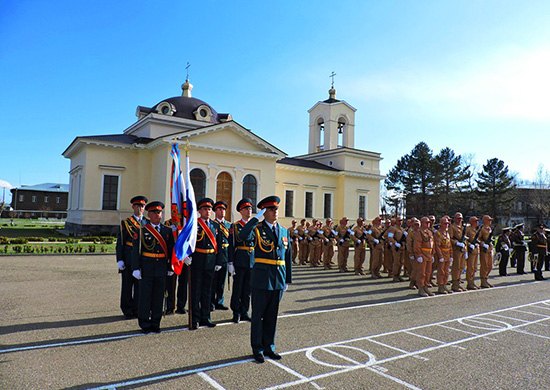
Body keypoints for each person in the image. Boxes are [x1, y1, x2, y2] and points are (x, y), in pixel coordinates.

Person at [239, 196, 292, 363]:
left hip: (278, 279)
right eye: (271, 209)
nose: (275, 211)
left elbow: (287, 257)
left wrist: (287, 280)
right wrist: (255, 218)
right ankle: (257, 348)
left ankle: (270, 346)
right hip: (261, 279)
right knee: (258, 316)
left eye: (276, 209)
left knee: (272, 315)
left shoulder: (284, 231)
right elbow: (242, 235)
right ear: (264, 212)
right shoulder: (257, 229)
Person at [131, 201, 174, 333]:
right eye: (154, 212)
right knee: (145, 297)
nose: (157, 214)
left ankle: (156, 323)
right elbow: (136, 251)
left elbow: (171, 249)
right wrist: (136, 268)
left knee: (158, 297)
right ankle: (144, 323)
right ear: (149, 214)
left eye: (159, 212)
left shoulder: (167, 231)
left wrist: (170, 267)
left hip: (161, 268)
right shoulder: (142, 230)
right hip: (147, 268)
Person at [189, 198, 220, 329]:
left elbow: (217, 245)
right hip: (198, 261)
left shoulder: (214, 226)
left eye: (209, 209)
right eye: (205, 209)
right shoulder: (195, 225)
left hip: (210, 261)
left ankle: (205, 317)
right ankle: (195, 319)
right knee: (196, 291)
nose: (208, 212)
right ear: (200, 211)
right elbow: (189, 242)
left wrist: (217, 262)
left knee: (207, 292)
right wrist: (188, 256)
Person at [115, 195, 147, 319]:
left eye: (142, 206)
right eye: (137, 206)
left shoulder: (147, 223)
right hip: (128, 257)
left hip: (141, 259)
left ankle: (138, 309)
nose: (140, 208)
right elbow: (120, 242)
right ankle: (127, 309)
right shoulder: (126, 223)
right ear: (133, 207)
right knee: (127, 286)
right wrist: (120, 259)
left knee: (140, 286)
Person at [228, 198, 255, 323]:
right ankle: (236, 312)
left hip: (252, 260)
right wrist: (231, 262)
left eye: (250, 208)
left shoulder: (255, 226)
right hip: (240, 259)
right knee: (238, 288)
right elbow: (231, 245)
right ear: (241, 211)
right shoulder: (235, 226)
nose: (249, 210)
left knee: (248, 289)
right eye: (246, 209)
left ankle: (245, 311)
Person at [211, 200, 231, 311]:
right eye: (219, 209)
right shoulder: (213, 224)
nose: (222, 211)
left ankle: (219, 301)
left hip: (226, 256)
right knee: (214, 281)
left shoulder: (228, 225)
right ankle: (212, 302)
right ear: (215, 211)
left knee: (222, 282)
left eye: (223, 209)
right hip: (216, 256)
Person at [414, 217, 435, 297]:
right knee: (421, 273)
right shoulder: (419, 232)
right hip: (423, 254)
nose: (428, 224)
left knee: (428, 272)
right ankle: (421, 288)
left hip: (429, 254)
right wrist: (418, 255)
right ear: (422, 223)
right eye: (426, 222)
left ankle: (426, 286)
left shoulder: (429, 232)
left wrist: (432, 253)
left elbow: (432, 244)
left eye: (429, 222)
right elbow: (417, 244)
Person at [434, 217, 452, 294]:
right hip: (442, 254)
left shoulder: (447, 233)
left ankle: (444, 284)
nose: (446, 225)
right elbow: (437, 246)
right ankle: (440, 286)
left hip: (447, 254)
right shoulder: (438, 233)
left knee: (446, 271)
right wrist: (440, 256)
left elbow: (449, 245)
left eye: (447, 224)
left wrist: (451, 255)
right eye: (445, 224)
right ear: (441, 224)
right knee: (441, 271)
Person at [449, 212, 467, 292]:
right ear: (454, 219)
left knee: (461, 267)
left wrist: (465, 247)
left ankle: (458, 282)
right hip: (456, 249)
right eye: (458, 218)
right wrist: (457, 243)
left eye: (461, 218)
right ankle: (455, 285)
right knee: (456, 267)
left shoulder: (463, 228)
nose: (459, 220)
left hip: (462, 250)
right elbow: (450, 239)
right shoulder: (452, 227)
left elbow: (465, 238)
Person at [478, 215, 495, 288]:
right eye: (489, 220)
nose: (490, 221)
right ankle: (483, 281)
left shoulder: (489, 229)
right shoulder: (481, 229)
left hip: (489, 249)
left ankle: (486, 279)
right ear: (484, 221)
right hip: (484, 250)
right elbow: (478, 239)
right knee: (484, 266)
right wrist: (483, 244)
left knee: (490, 266)